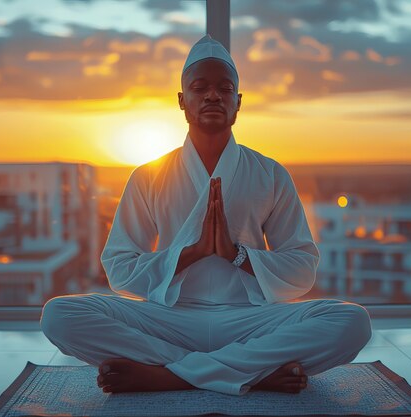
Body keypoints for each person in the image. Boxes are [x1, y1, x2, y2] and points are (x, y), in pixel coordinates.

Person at [40, 35, 371, 396]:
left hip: (249, 320)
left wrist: (237, 256)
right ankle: (251, 373)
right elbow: (119, 267)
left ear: (238, 102)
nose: (213, 95)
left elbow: (302, 268)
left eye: (224, 89)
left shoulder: (270, 173)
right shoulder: (148, 175)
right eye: (200, 88)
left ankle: (169, 375)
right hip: (170, 319)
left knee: (352, 321)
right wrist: (190, 253)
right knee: (59, 315)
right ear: (182, 101)